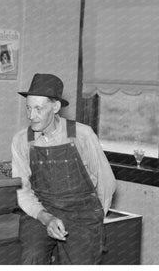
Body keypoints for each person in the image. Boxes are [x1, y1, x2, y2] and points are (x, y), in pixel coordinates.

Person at [11, 73, 116, 264]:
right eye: (28, 108)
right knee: (31, 256)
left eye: (38, 108)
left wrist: (93, 222)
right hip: (42, 209)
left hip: (82, 214)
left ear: (56, 107)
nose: (31, 116)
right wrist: (45, 217)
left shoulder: (82, 135)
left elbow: (107, 183)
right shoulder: (21, 141)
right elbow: (22, 192)